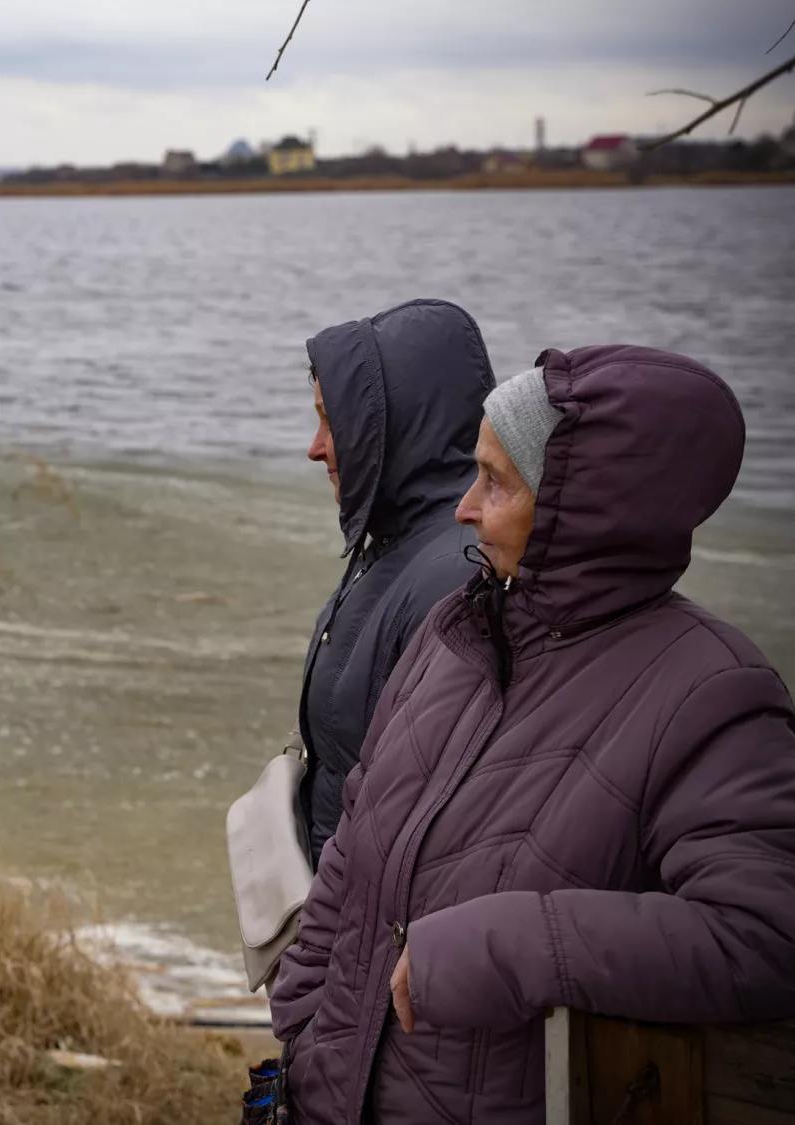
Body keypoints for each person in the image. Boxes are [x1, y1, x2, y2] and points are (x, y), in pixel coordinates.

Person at [268, 348, 795, 1123]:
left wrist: (513, 942)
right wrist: (302, 1015)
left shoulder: (713, 692)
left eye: (497, 481)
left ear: (584, 506)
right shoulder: (455, 633)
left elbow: (764, 933)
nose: (463, 508)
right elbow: (356, 841)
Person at [297, 299, 494, 865]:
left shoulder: (457, 574)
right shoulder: (391, 543)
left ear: (392, 426)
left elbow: (440, 827)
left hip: (369, 933)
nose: (314, 448)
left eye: (332, 423)